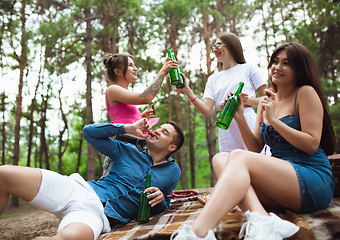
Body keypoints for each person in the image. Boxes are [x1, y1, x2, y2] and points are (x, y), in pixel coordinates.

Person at [171, 42, 336, 240]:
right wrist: (240, 118)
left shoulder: (305, 93)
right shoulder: (266, 101)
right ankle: (263, 220)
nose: (277, 67)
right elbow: (256, 148)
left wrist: (274, 121)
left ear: (300, 71)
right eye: (275, 61)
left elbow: (311, 144)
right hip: (281, 181)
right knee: (221, 158)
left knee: (238, 157)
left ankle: (197, 232)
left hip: (311, 178)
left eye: (286, 63)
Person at [0, 118, 185, 240]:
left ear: (172, 147)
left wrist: (160, 200)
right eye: (159, 127)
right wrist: (126, 129)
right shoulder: (127, 150)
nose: (157, 130)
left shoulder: (172, 171)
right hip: (77, 189)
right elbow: (90, 133)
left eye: (164, 132)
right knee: (2, 175)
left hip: (96, 216)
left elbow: (164, 202)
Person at [178, 32, 267, 153]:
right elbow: (206, 110)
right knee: (231, 164)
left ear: (231, 45)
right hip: (226, 127)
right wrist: (187, 90)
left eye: (218, 45)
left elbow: (267, 99)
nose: (215, 50)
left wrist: (247, 100)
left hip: (248, 119)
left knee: (256, 160)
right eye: (213, 47)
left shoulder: (249, 68)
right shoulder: (213, 79)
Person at [101, 53, 179, 177]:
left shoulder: (124, 94)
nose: (135, 68)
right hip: (122, 147)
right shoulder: (112, 89)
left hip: (136, 148)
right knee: (113, 187)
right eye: (131, 65)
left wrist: (141, 117)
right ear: (118, 71)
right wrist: (163, 72)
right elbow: (146, 97)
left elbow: (124, 118)